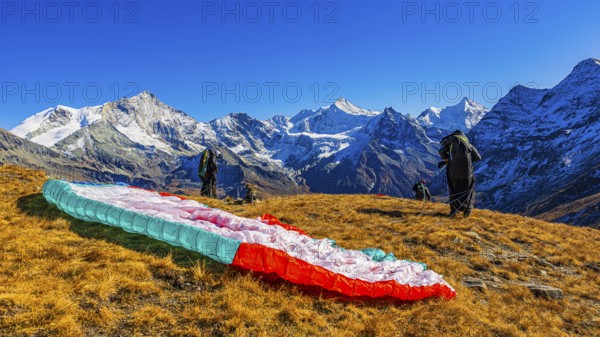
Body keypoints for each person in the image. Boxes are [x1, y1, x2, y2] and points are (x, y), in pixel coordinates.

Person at [438, 130, 481, 218]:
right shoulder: (468, 145)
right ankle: (467, 211)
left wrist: (447, 159)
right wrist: (469, 161)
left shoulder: (450, 144)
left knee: (453, 190)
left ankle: (454, 210)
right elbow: (478, 158)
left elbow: (440, 151)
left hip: (453, 172)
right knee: (469, 190)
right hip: (467, 173)